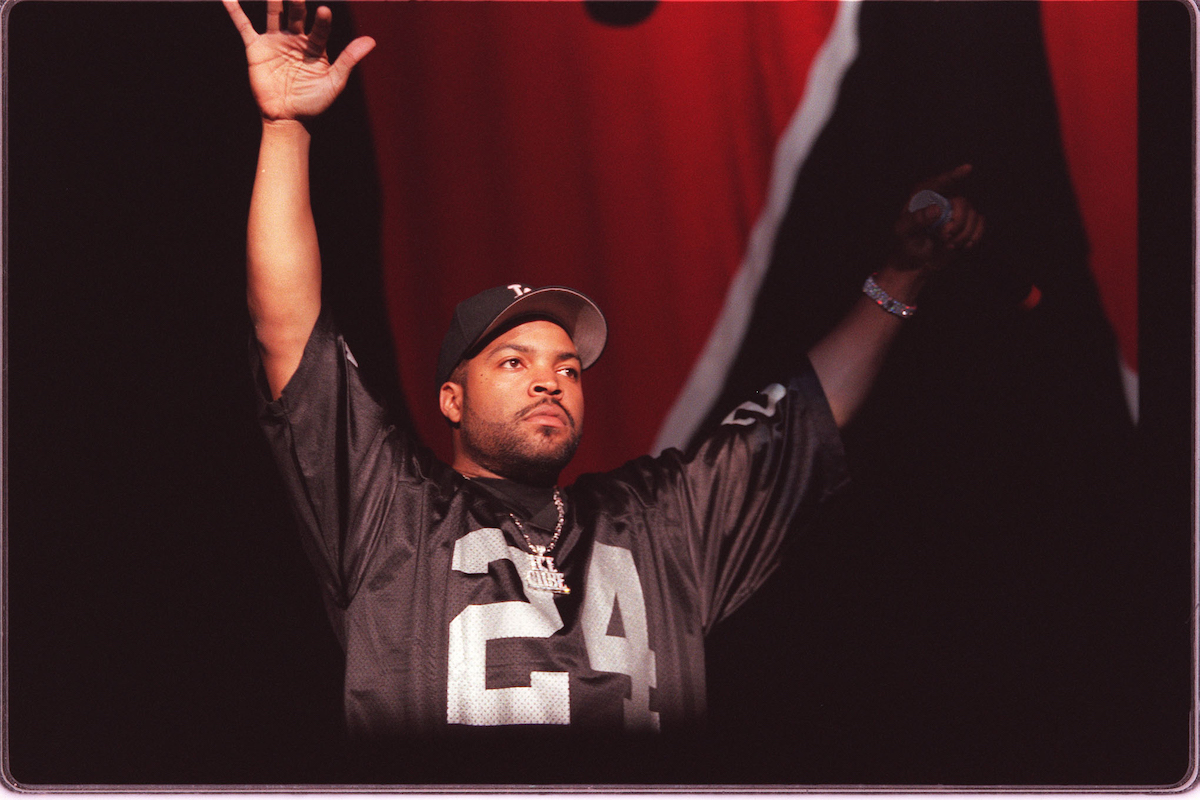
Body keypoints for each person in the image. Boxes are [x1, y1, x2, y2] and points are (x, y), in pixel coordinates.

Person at [225, 0, 984, 743]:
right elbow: (289, 328)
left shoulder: (656, 526)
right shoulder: (389, 513)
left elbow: (808, 415)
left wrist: (901, 281)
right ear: (451, 398)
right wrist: (285, 127)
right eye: (514, 360)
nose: (550, 379)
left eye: (569, 366)